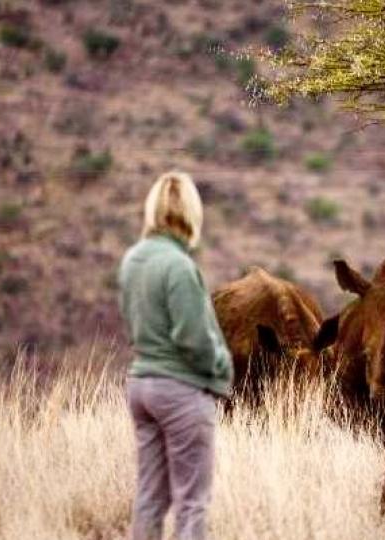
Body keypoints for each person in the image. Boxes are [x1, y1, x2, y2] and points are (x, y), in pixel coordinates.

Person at [118, 171, 233, 540]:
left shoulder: (133, 260)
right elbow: (193, 339)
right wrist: (220, 366)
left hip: (141, 385)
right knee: (192, 501)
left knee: (150, 497)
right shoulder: (180, 266)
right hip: (179, 390)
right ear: (191, 213)